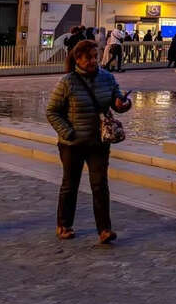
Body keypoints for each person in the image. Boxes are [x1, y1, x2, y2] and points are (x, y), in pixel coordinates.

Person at [45, 39, 132, 243]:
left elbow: (117, 102)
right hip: (72, 144)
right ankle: (64, 224)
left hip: (98, 142)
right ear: (78, 58)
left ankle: (104, 229)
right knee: (70, 184)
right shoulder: (67, 81)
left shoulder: (107, 78)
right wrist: (68, 133)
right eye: (89, 57)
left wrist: (123, 103)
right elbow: (52, 111)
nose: (93, 61)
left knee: (100, 184)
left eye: (95, 56)